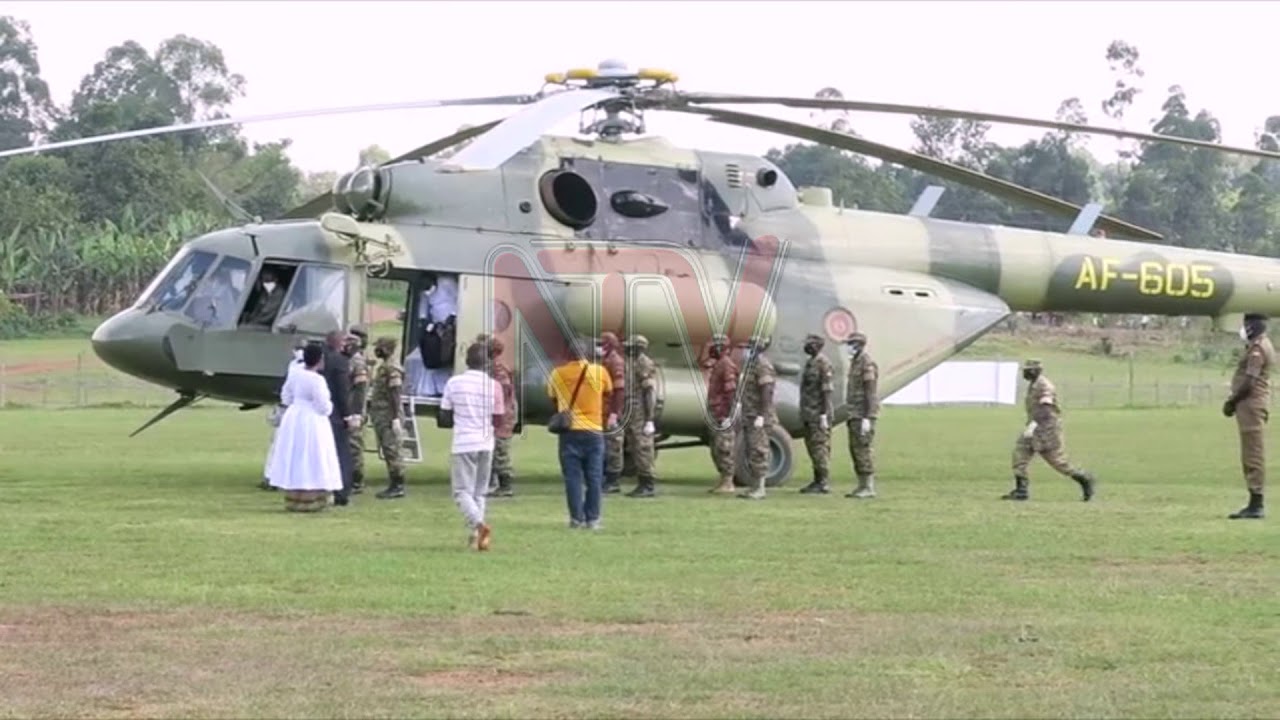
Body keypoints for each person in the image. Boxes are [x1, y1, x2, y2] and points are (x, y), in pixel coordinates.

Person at [438, 342, 506, 551]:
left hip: (464, 442)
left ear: (466, 361)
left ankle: (479, 524)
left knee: (461, 492)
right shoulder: (494, 386)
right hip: (486, 442)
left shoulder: (454, 383)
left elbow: (445, 416)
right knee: (479, 492)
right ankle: (476, 537)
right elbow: (499, 419)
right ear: (487, 363)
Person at [1002, 359, 1096, 502]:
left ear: (1034, 371)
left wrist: (1033, 425)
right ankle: (1021, 490)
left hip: (1046, 430)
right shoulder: (1034, 384)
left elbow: (1046, 409)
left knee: (1057, 461)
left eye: (1027, 370)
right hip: (1035, 427)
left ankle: (1084, 479)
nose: (1024, 373)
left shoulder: (1044, 386)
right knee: (1020, 454)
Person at [266, 342, 344, 512]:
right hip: (312, 418)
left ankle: (294, 495)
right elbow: (323, 405)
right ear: (320, 360)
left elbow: (286, 396)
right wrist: (329, 409)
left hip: (295, 416)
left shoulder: (295, 374)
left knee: (297, 453)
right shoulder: (317, 380)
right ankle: (312, 494)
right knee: (314, 454)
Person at [546, 337, 613, 529]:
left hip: (569, 432)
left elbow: (552, 398)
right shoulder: (599, 372)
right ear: (588, 354)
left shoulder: (558, 374)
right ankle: (593, 518)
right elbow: (608, 392)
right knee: (594, 477)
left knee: (572, 477)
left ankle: (576, 518)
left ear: (568, 354)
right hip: (594, 429)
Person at [1222, 312, 1272, 519]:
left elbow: (1250, 379)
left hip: (1250, 404)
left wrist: (1232, 401)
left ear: (1252, 326)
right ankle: (1254, 501)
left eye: (1246, 324)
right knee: (1251, 451)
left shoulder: (1258, 348)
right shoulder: (1261, 344)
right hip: (1251, 404)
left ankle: (1256, 503)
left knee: (1252, 452)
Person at [261, 340, 307, 491]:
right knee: (280, 443)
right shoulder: (294, 365)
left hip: (296, 409)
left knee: (287, 444)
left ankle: (278, 477)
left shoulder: (300, 367)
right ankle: (273, 477)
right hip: (291, 409)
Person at [477, 333, 519, 498]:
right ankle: (495, 482)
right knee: (494, 448)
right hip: (498, 413)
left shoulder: (497, 368)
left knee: (500, 450)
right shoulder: (493, 366)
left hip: (502, 414)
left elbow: (504, 389)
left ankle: (505, 484)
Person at [369, 336, 410, 499]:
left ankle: (397, 484)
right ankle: (394, 483)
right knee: (387, 449)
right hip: (382, 414)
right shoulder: (384, 366)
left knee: (392, 449)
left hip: (388, 414)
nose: (376, 351)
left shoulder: (392, 368)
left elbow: (395, 394)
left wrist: (394, 418)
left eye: (378, 347)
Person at [322, 330, 360, 506]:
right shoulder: (340, 362)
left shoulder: (320, 359)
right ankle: (342, 491)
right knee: (342, 453)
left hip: (320, 414)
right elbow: (342, 392)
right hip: (336, 414)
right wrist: (348, 415)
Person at [738, 335, 777, 501]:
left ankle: (760, 488)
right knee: (750, 451)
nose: (745, 350)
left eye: (749, 347)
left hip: (759, 417)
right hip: (750, 415)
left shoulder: (763, 365)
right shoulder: (750, 366)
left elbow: (766, 391)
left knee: (759, 450)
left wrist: (761, 415)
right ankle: (754, 487)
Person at [622, 334, 660, 498]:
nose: (627, 348)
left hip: (640, 414)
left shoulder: (644, 363)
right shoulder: (633, 363)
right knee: (635, 448)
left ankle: (648, 484)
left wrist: (649, 420)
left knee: (643, 448)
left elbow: (649, 392)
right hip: (632, 412)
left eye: (630, 346)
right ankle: (642, 483)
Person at [843, 332, 880, 499]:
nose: (848, 347)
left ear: (858, 345)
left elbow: (870, 392)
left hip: (863, 414)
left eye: (851, 344)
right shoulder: (855, 363)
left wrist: (867, 416)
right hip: (854, 414)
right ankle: (861, 485)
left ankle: (868, 486)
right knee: (855, 449)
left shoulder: (866, 364)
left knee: (863, 449)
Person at [798, 333, 835, 494]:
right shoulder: (810, 362)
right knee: (812, 448)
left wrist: (824, 415)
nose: (807, 346)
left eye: (810, 344)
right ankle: (817, 480)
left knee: (820, 448)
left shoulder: (823, 364)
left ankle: (823, 482)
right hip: (809, 413)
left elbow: (826, 390)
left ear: (818, 346)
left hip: (819, 413)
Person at [704, 333, 739, 494]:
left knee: (725, 448)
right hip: (715, 414)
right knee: (717, 448)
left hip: (722, 414)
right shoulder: (718, 364)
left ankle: (728, 482)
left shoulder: (726, 365)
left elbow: (731, 392)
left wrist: (728, 416)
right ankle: (723, 480)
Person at [598, 332, 627, 494]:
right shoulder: (604, 361)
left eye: (602, 343)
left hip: (612, 412)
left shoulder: (615, 363)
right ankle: (604, 478)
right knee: (603, 445)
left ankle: (613, 480)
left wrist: (615, 413)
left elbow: (619, 389)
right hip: (603, 410)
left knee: (613, 446)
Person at [345, 326, 370, 495]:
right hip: (348, 408)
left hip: (354, 410)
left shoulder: (357, 362)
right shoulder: (350, 359)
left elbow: (360, 389)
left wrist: (356, 413)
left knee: (354, 446)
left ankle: (357, 481)